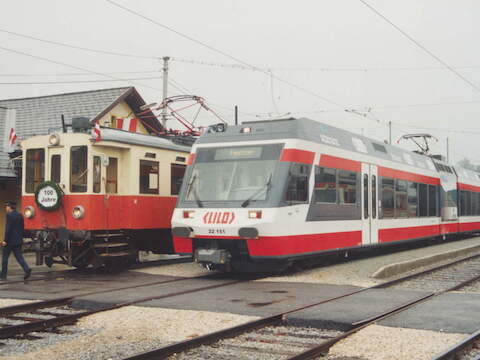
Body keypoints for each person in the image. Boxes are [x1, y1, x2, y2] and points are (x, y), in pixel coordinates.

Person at [1, 201, 31, 280]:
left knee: (5, 257)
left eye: (7, 206)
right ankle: (27, 269)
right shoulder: (19, 215)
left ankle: (3, 274)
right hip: (18, 240)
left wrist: (5, 240)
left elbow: (8, 229)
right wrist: (20, 238)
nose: (6, 208)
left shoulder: (9, 215)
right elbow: (22, 227)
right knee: (19, 257)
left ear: (9, 207)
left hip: (10, 241)